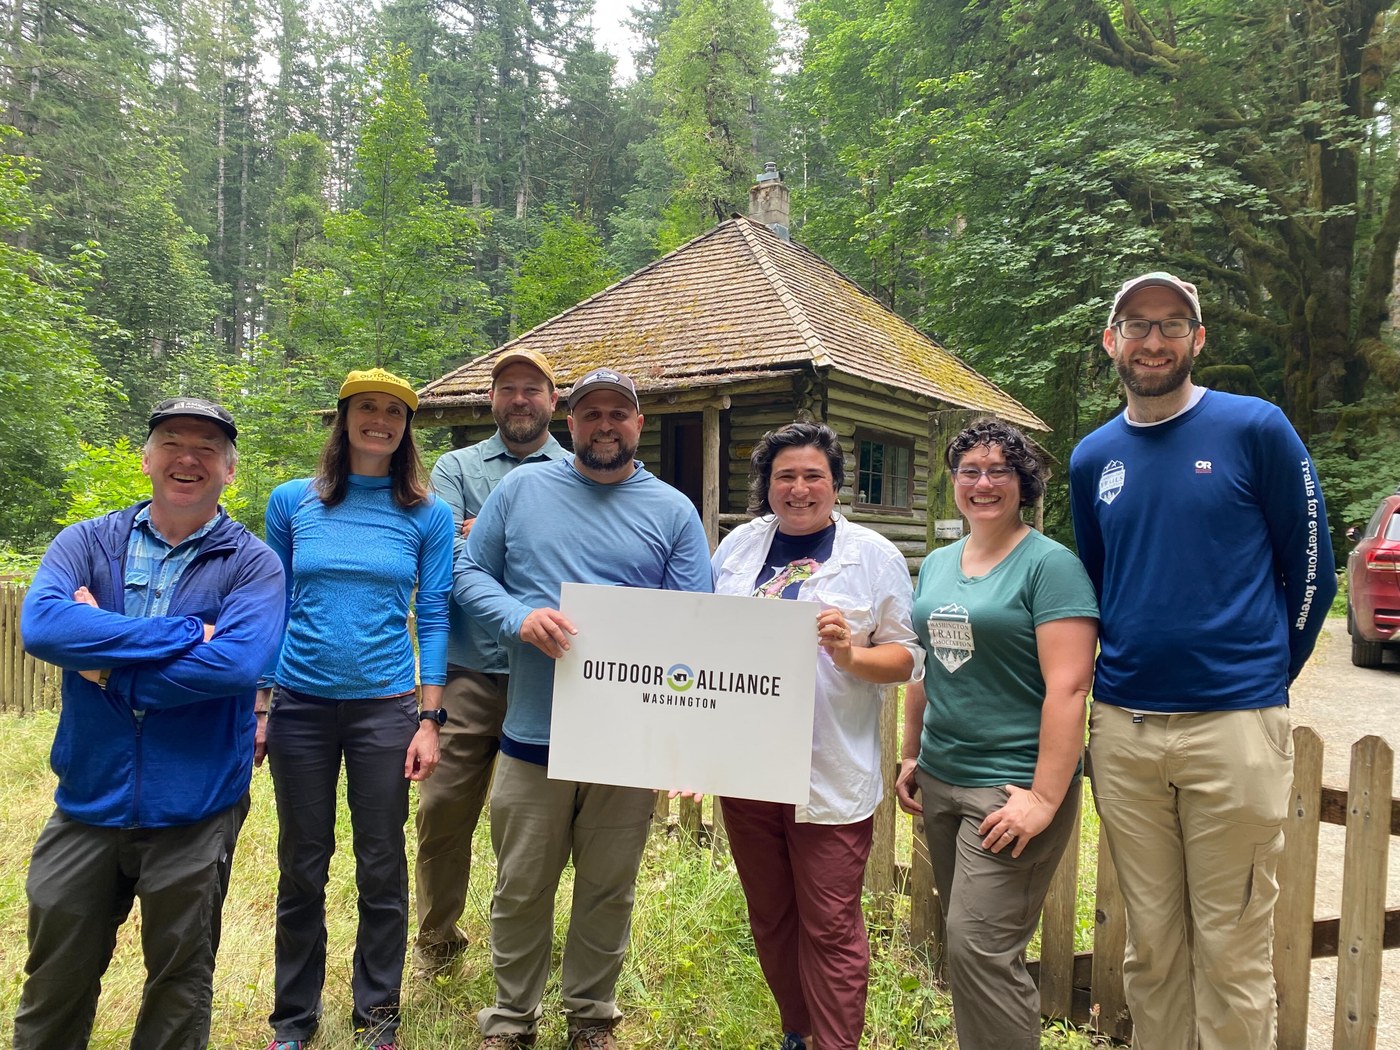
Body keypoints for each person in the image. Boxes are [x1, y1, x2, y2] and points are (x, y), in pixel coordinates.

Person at [1068, 272, 1336, 1050]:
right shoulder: (1093, 458)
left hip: (1234, 727)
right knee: (1151, 948)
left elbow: (1311, 572)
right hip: (1125, 733)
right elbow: (1101, 584)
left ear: (1199, 339)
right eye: (1137, 324)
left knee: (1233, 950)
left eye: (1172, 324)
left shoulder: (1256, 428)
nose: (1154, 340)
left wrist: (1262, 678)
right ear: (1111, 340)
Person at [455, 366, 713, 1050]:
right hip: (531, 732)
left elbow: (697, 621)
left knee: (608, 888)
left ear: (638, 425)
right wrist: (516, 617)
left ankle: (592, 1019)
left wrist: (686, 740)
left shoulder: (673, 511)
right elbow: (467, 571)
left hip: (625, 742)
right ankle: (511, 1020)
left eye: (618, 414)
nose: (605, 425)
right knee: (519, 887)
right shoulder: (521, 490)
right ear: (569, 424)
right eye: (591, 414)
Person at [15, 397, 284, 1050]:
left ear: (229, 471)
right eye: (171, 442)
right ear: (146, 458)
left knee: (178, 987)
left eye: (207, 448)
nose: (187, 458)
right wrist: (188, 632)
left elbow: (236, 664)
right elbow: (44, 627)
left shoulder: (253, 563)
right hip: (88, 798)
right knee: (53, 983)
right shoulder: (85, 542)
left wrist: (106, 665)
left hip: (196, 807)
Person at [711, 421, 923, 1050]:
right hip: (747, 767)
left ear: (835, 485)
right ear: (766, 484)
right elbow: (704, 638)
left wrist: (850, 655)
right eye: (785, 476)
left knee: (829, 923)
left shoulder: (873, 556)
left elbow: (906, 658)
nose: (798, 488)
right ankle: (797, 1030)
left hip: (827, 771)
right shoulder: (738, 548)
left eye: (813, 476)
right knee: (771, 914)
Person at [260, 368, 454, 1050]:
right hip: (301, 705)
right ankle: (293, 1019)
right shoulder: (292, 501)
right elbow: (273, 606)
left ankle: (378, 1016)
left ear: (407, 429)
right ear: (343, 418)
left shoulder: (426, 513)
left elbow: (435, 615)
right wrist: (262, 704)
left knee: (381, 862)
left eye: (395, 412)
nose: (381, 420)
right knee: (302, 862)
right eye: (367, 408)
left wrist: (430, 720)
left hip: (386, 709)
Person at [894, 417, 1098, 1050]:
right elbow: (927, 664)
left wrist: (1044, 798)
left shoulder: (1051, 566)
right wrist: (911, 754)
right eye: (970, 471)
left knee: (981, 947)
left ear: (1024, 483)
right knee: (967, 945)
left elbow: (1069, 687)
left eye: (999, 471)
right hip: (942, 777)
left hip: (1008, 789)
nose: (983, 484)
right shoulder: (938, 563)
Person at [412, 348, 566, 973]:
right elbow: (445, 556)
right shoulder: (456, 466)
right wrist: (500, 540)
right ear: (492, 400)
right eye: (507, 389)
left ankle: (522, 948)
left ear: (553, 400)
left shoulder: (576, 469)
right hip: (469, 669)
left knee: (534, 822)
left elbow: (565, 555)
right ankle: (437, 941)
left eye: (532, 388)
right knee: (442, 809)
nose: (519, 399)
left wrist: (485, 531)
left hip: (551, 673)